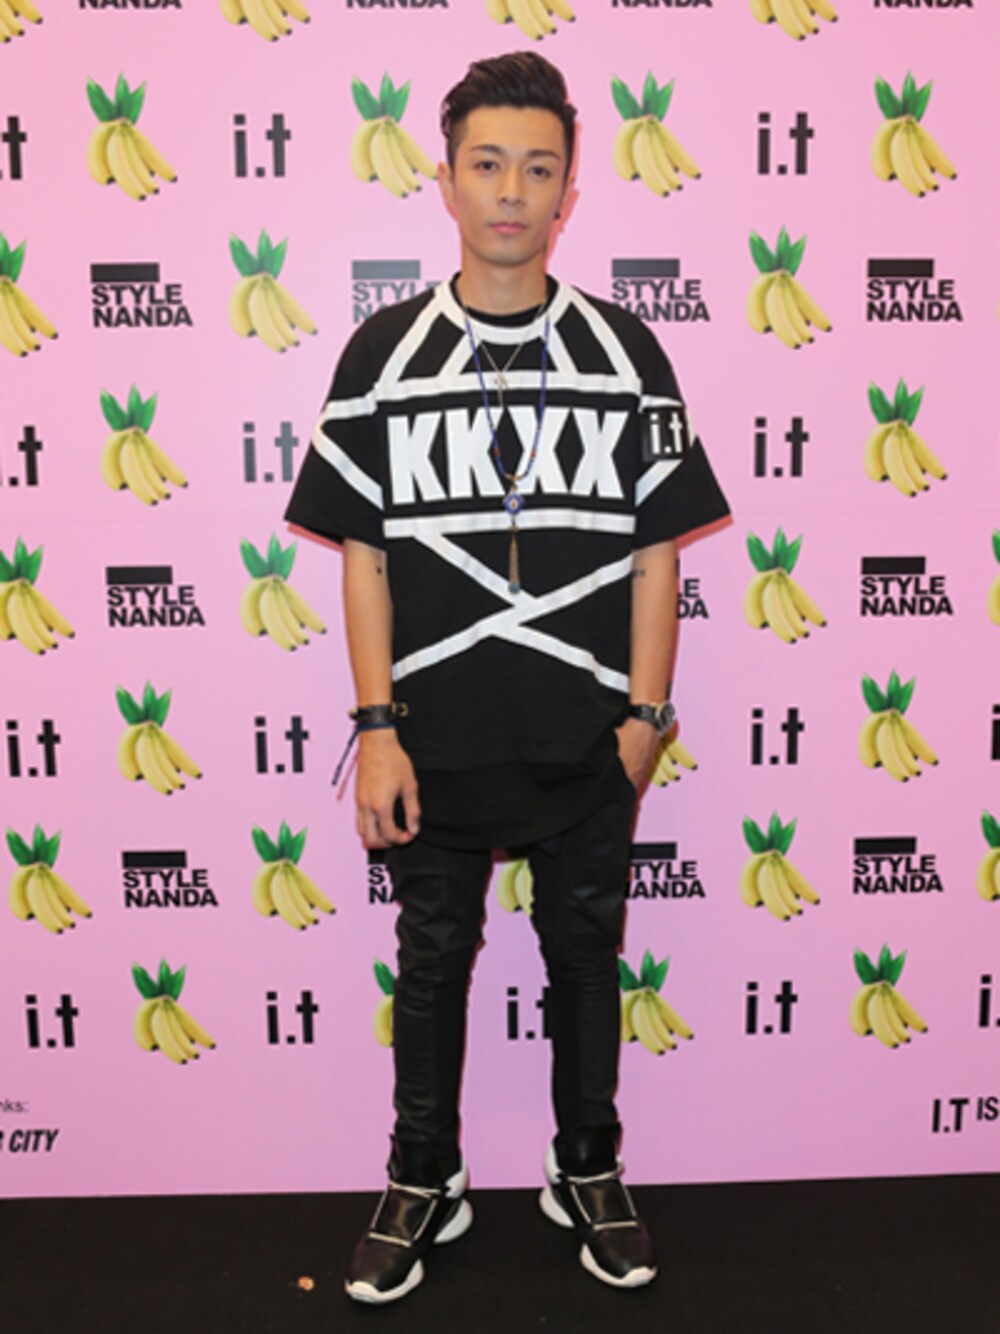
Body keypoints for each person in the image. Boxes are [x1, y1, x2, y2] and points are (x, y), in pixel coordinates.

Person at [284, 51, 730, 1303]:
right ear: (445, 180)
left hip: (587, 734)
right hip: (431, 734)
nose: (511, 191)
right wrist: (376, 727)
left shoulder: (625, 350)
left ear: (569, 190)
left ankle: (587, 1164)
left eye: (538, 168)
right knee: (433, 958)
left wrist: (646, 717)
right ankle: (423, 1174)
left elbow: (656, 552)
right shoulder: (382, 352)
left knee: (586, 954)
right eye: (487, 164)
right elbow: (364, 556)